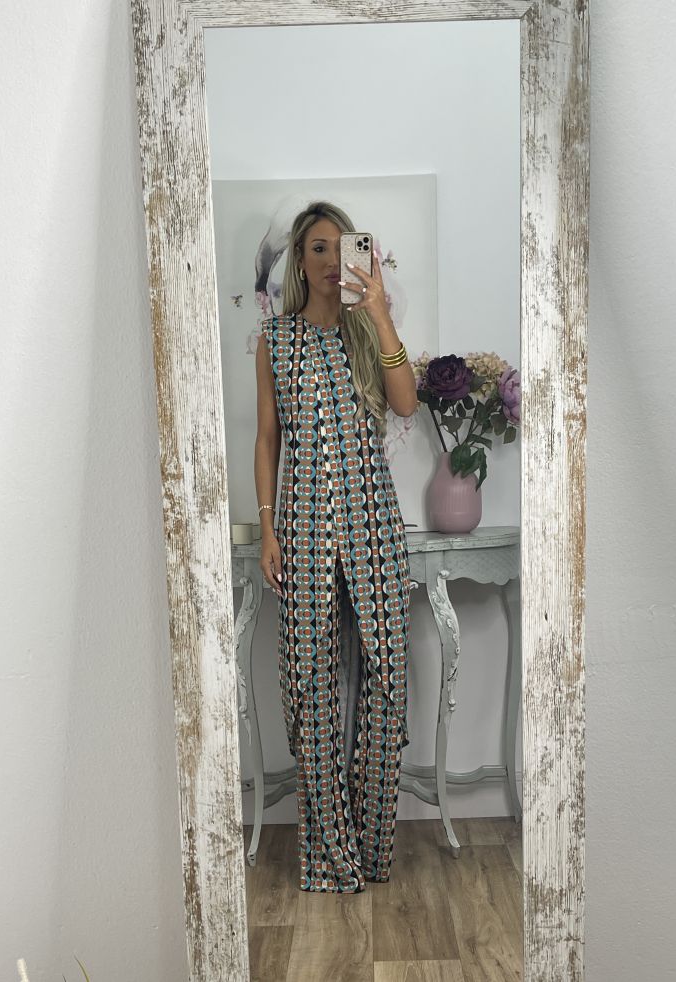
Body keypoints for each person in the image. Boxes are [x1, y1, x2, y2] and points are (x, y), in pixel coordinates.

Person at [254, 201, 418, 893]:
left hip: (373, 521)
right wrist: (267, 527)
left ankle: (372, 847)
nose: (329, 261)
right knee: (309, 682)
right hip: (302, 524)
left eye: (341, 247)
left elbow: (406, 404)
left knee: (388, 676)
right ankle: (328, 854)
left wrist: (378, 313)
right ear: (299, 260)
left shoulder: (367, 330)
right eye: (317, 248)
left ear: (361, 255)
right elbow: (268, 438)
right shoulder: (276, 339)